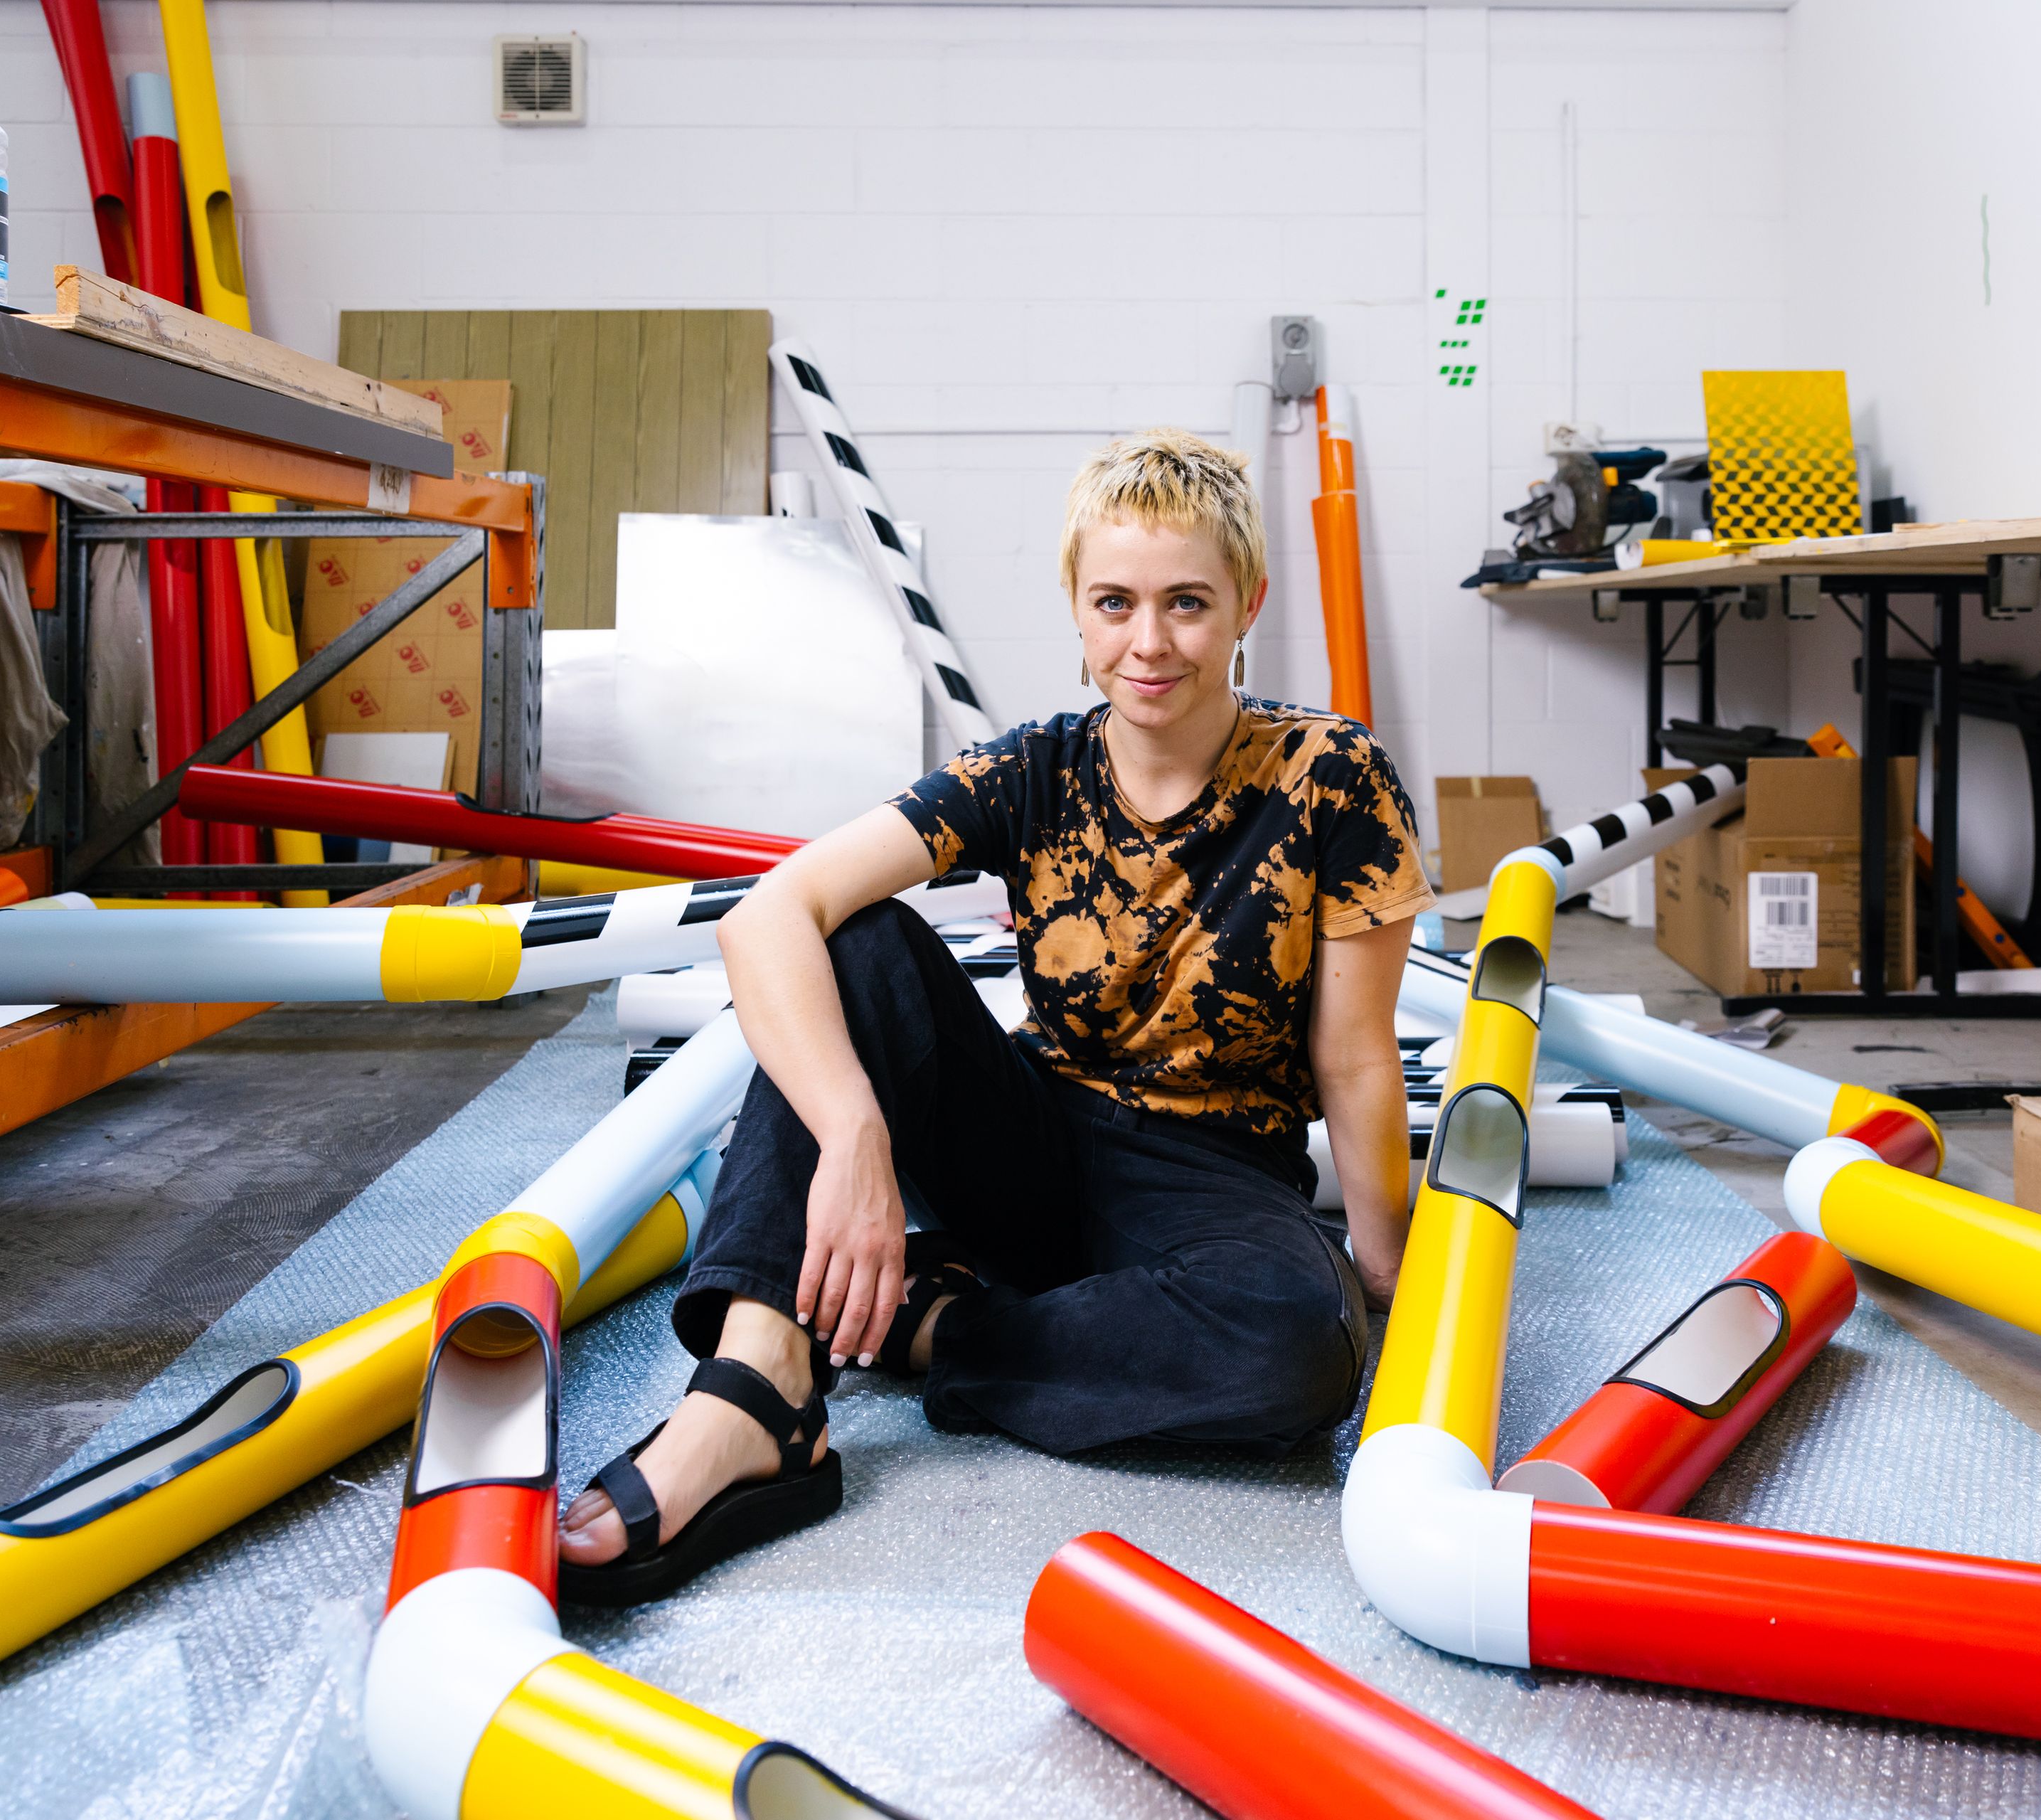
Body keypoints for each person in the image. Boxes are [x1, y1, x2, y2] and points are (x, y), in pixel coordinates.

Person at [558, 429, 1431, 1605]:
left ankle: (933, 1330)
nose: (1150, 641)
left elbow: (1356, 1055)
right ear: (1077, 608)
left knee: (1298, 1345)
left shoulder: (1333, 775)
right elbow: (769, 914)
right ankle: (758, 1386)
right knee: (852, 939)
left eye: (1187, 602)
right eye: (1115, 602)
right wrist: (858, 1137)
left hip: (1212, 1176)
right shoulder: (1034, 769)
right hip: (1028, 1141)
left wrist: (1393, 1278)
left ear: (1247, 604)